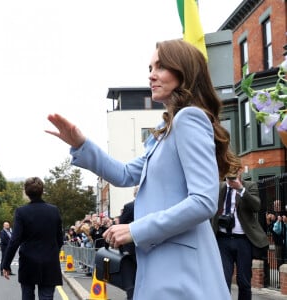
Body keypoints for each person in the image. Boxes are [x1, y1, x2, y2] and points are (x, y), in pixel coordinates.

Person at [46, 39, 241, 299]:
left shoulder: (188, 118)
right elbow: (125, 174)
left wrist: (135, 229)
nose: (151, 75)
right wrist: (81, 144)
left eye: (160, 66)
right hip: (163, 266)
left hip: (183, 274)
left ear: (183, 71)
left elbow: (203, 201)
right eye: (150, 67)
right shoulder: (166, 133)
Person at [211, 164, 269, 300]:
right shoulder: (220, 188)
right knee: (223, 280)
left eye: (234, 172)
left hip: (243, 240)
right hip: (222, 240)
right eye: (229, 172)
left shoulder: (250, 186)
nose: (231, 175)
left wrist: (241, 189)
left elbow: (256, 206)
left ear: (240, 171)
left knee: (244, 281)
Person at [2, 177, 64, 300]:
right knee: (47, 296)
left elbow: (14, 241)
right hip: (49, 263)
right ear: (42, 191)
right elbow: (60, 239)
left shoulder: (21, 212)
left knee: (27, 296)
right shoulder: (54, 211)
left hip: (28, 262)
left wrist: (6, 264)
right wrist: (52, 253)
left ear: (26, 192)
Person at [119, 186, 138, 300]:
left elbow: (121, 224)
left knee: (133, 277)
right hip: (132, 248)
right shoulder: (130, 206)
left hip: (132, 248)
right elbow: (121, 226)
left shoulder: (129, 206)